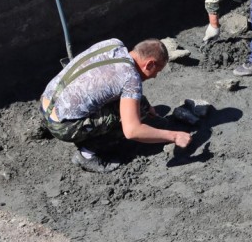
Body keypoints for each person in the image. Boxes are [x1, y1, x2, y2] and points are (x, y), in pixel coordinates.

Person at [40, 38, 191, 172]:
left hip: (47, 103)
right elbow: (132, 131)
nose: (155, 76)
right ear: (150, 64)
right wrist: (174, 136)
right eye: (157, 71)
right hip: (63, 126)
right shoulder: (131, 78)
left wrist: (144, 103)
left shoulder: (113, 44)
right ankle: (86, 154)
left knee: (139, 103)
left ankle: (58, 126)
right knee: (137, 113)